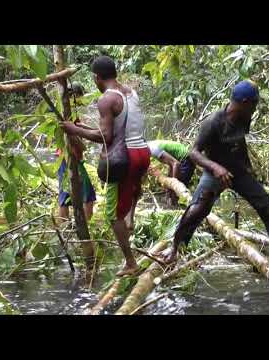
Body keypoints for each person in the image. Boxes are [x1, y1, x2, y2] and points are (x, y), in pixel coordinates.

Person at [159, 80, 269, 268]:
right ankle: (175, 248)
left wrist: (248, 168)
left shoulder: (245, 117)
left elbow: (240, 142)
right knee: (197, 210)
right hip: (214, 172)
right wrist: (216, 168)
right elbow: (194, 152)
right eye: (255, 103)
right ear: (245, 102)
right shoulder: (213, 122)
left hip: (238, 171)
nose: (256, 108)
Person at [60, 56, 150, 277]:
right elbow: (120, 128)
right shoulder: (130, 93)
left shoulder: (106, 100)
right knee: (126, 198)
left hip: (124, 158)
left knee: (112, 214)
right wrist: (84, 127)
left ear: (96, 77)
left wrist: (74, 130)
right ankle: (130, 219)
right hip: (142, 152)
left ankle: (131, 263)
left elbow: (106, 136)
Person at [57, 82, 96, 223]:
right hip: (70, 157)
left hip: (65, 157)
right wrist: (83, 146)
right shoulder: (66, 112)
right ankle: (86, 230)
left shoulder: (70, 112)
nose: (81, 101)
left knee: (65, 195)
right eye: (79, 97)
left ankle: (66, 229)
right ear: (72, 96)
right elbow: (71, 134)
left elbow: (78, 127)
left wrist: (95, 132)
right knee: (88, 196)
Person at [147, 139, 196, 205]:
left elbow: (176, 164)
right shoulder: (150, 145)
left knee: (179, 190)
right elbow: (171, 164)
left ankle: (188, 206)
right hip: (184, 159)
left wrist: (173, 186)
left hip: (186, 160)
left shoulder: (152, 149)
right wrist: (168, 190)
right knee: (174, 192)